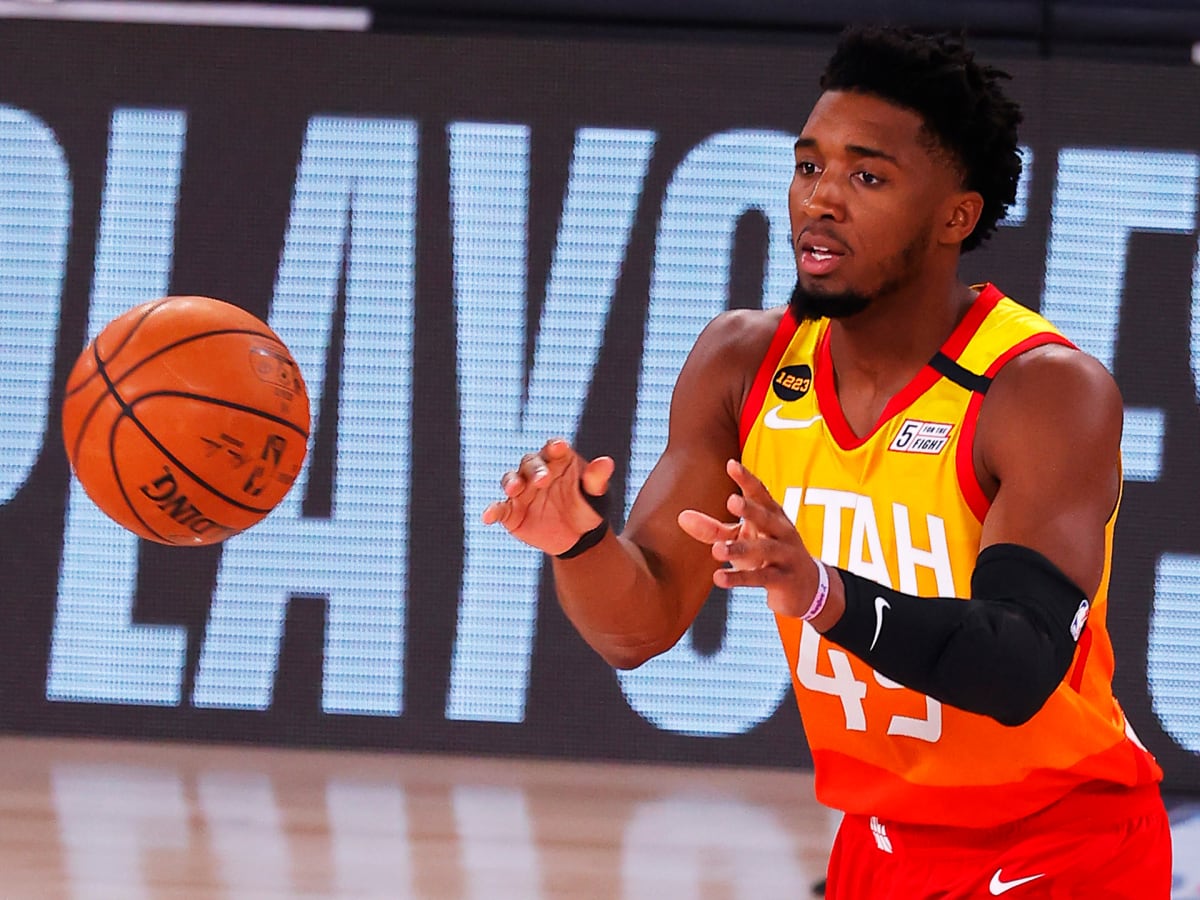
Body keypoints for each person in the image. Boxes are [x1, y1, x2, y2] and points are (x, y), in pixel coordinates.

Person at [482, 25, 1172, 898]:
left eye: (867, 177)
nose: (821, 200)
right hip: (877, 847)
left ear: (956, 216)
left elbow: (1018, 666)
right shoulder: (745, 364)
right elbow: (639, 627)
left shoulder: (1039, 390)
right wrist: (578, 543)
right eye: (809, 167)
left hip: (1062, 846)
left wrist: (822, 593)